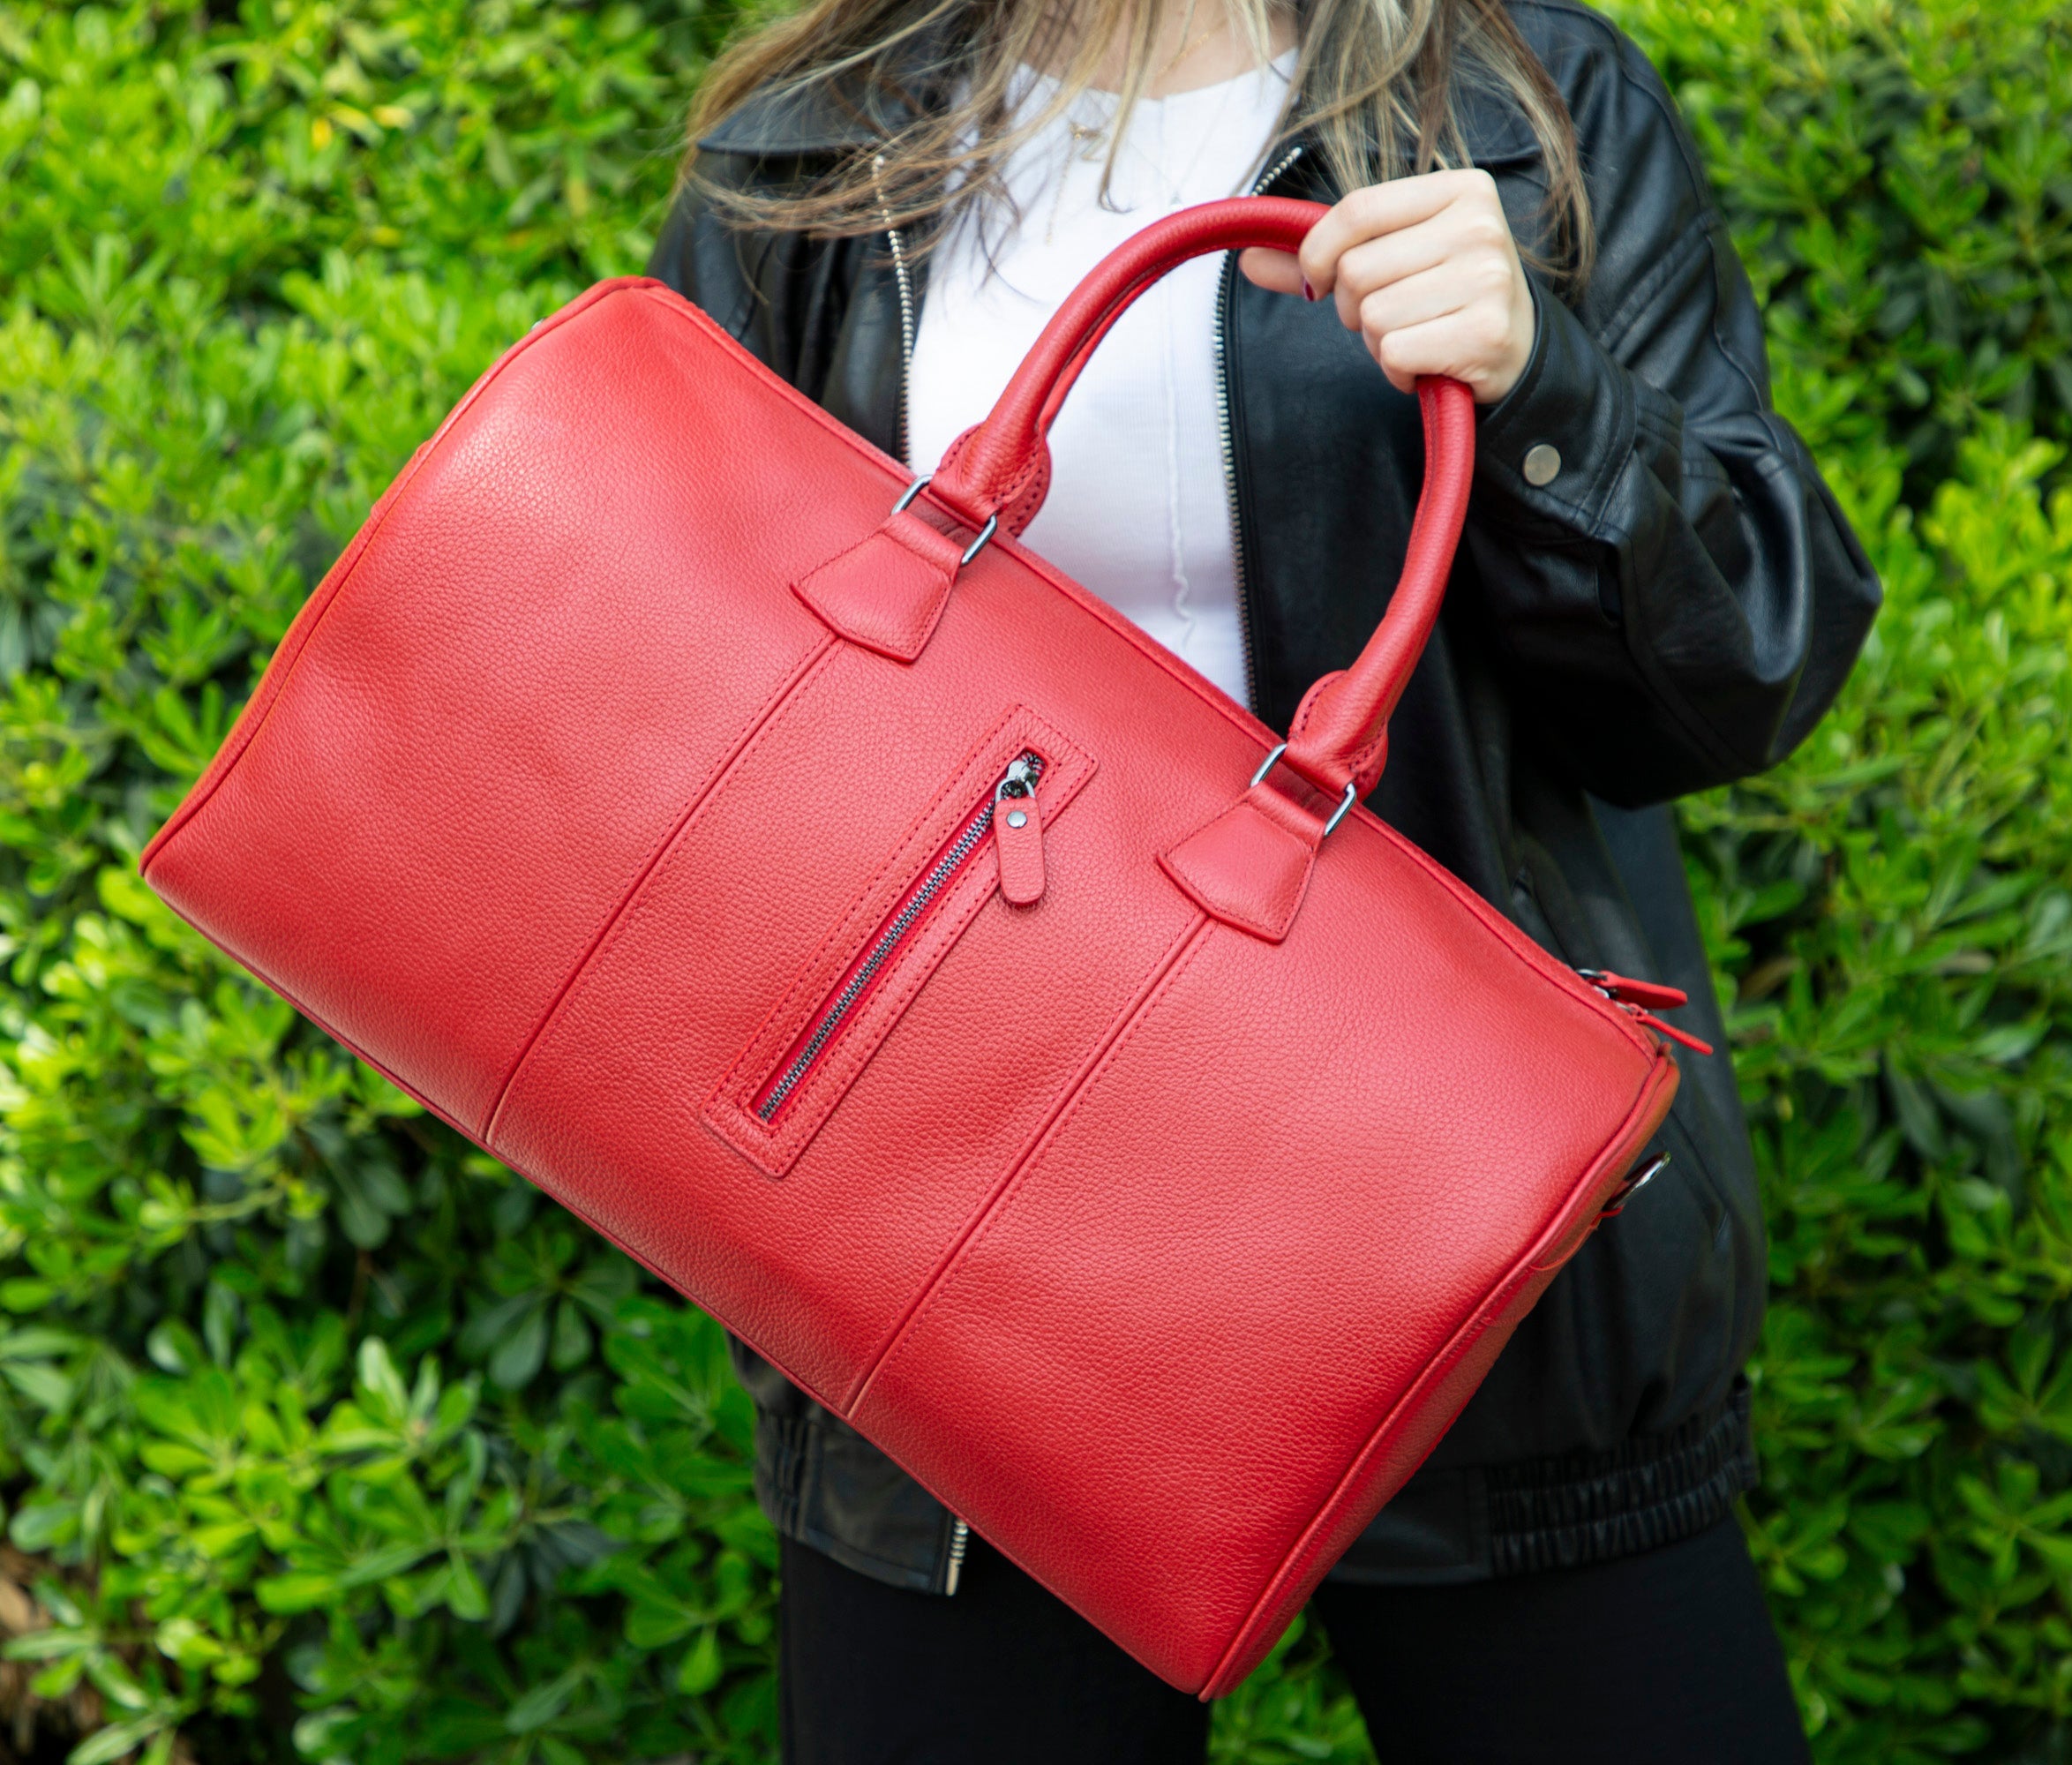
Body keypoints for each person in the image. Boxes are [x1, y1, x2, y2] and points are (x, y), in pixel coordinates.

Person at [649, 0, 1877, 1757]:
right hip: (953, 1242)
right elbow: (698, 685)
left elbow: (1747, 664)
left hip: (1451, 1220)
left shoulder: (1522, 98)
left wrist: (1541, 388)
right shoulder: (815, 137)